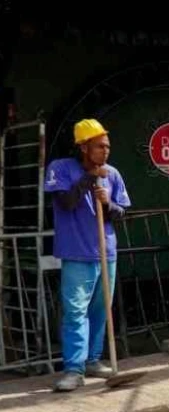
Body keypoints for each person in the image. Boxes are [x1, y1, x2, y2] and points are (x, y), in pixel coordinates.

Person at [44, 119, 131, 392]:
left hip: (106, 251)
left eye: (107, 146)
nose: (105, 152)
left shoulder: (113, 174)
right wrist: (89, 178)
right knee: (75, 313)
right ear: (83, 147)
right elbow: (66, 203)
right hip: (76, 254)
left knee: (100, 311)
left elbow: (121, 214)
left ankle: (93, 360)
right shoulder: (60, 168)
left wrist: (108, 203)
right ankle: (74, 369)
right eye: (99, 146)